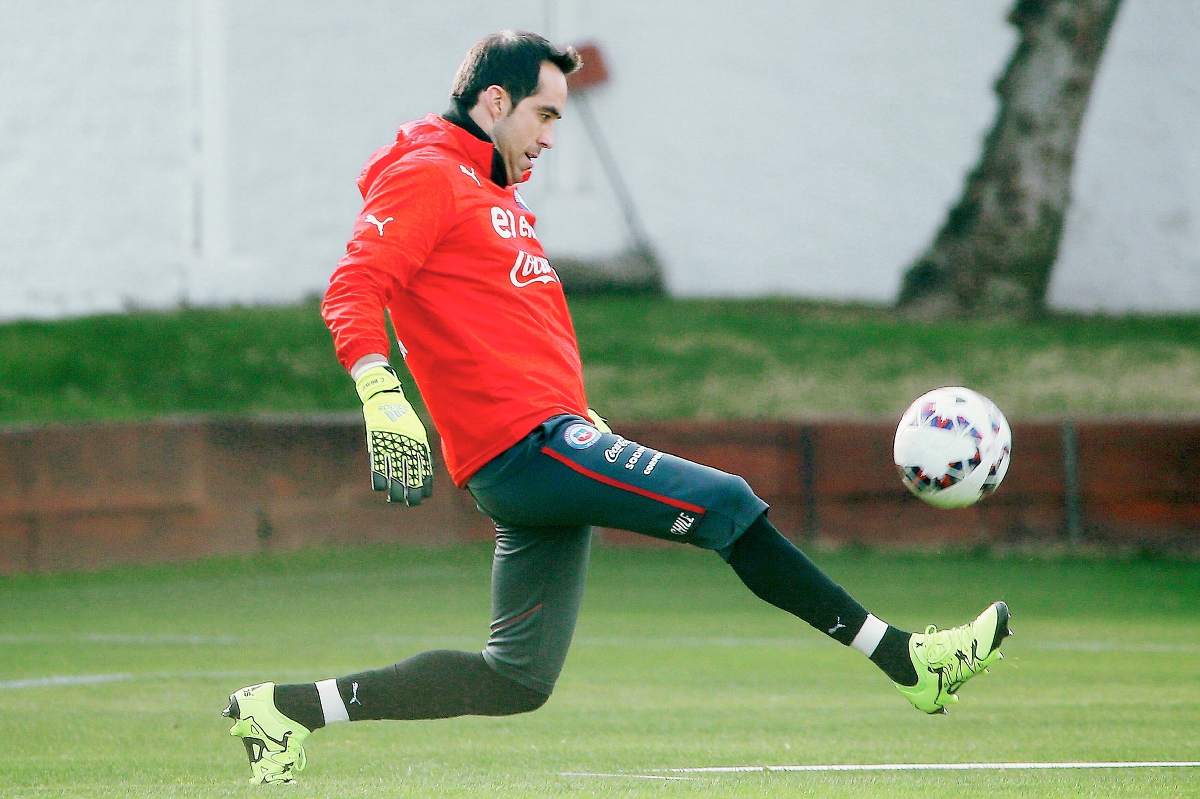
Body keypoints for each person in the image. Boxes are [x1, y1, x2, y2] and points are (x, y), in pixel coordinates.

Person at [222, 30, 1010, 785]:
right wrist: (379, 389)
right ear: (495, 103)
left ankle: (284, 711)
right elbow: (354, 286)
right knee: (728, 503)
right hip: (524, 448)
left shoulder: (495, 194)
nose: (553, 135)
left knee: (517, 677)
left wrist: (580, 414)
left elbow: (510, 333)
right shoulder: (428, 172)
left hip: (549, 440)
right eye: (546, 114)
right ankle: (910, 661)